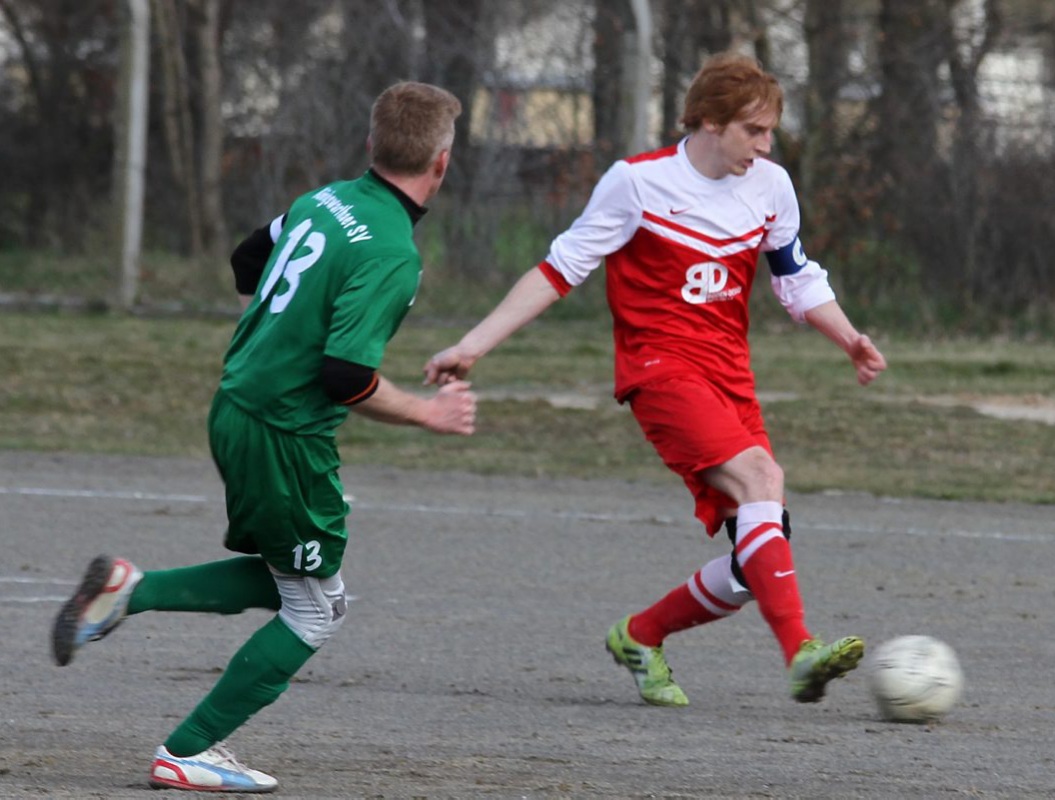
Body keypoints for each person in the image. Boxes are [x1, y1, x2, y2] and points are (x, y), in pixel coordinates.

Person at [424, 53, 887, 708]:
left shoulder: (770, 186)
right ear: (706, 120)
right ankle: (800, 652)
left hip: (730, 376)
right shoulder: (636, 184)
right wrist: (471, 345)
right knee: (761, 481)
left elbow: (795, 276)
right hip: (659, 371)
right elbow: (557, 272)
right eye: (751, 130)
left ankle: (640, 636)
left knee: (758, 559)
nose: (763, 145)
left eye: (768, 132)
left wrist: (848, 338)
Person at [51, 81, 476, 793]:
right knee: (318, 606)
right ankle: (188, 749)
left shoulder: (326, 200)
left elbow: (249, 257)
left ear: (372, 146)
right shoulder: (394, 252)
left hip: (236, 409)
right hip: (284, 434)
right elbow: (346, 376)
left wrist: (271, 340)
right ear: (441, 163)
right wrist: (428, 412)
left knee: (293, 579)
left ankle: (130, 591)